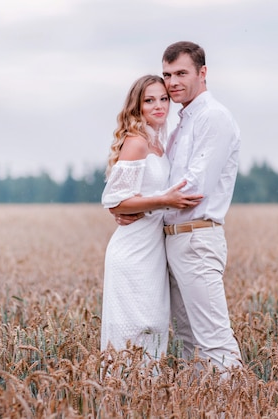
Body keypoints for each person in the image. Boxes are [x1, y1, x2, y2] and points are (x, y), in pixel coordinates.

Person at [115, 42, 243, 371]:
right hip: (173, 239)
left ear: (203, 73)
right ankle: (203, 404)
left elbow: (194, 188)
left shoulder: (213, 118)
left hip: (196, 238)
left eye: (181, 73)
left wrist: (138, 206)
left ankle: (237, 403)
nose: (172, 82)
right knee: (189, 340)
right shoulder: (182, 123)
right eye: (168, 74)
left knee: (212, 338)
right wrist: (133, 204)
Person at [100, 74, 202, 363]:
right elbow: (114, 199)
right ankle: (120, 399)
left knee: (154, 326)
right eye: (149, 100)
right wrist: (163, 201)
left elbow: (130, 201)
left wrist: (146, 207)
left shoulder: (161, 144)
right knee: (131, 328)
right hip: (133, 249)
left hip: (155, 249)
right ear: (137, 106)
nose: (158, 106)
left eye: (163, 99)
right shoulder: (137, 142)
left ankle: (148, 396)